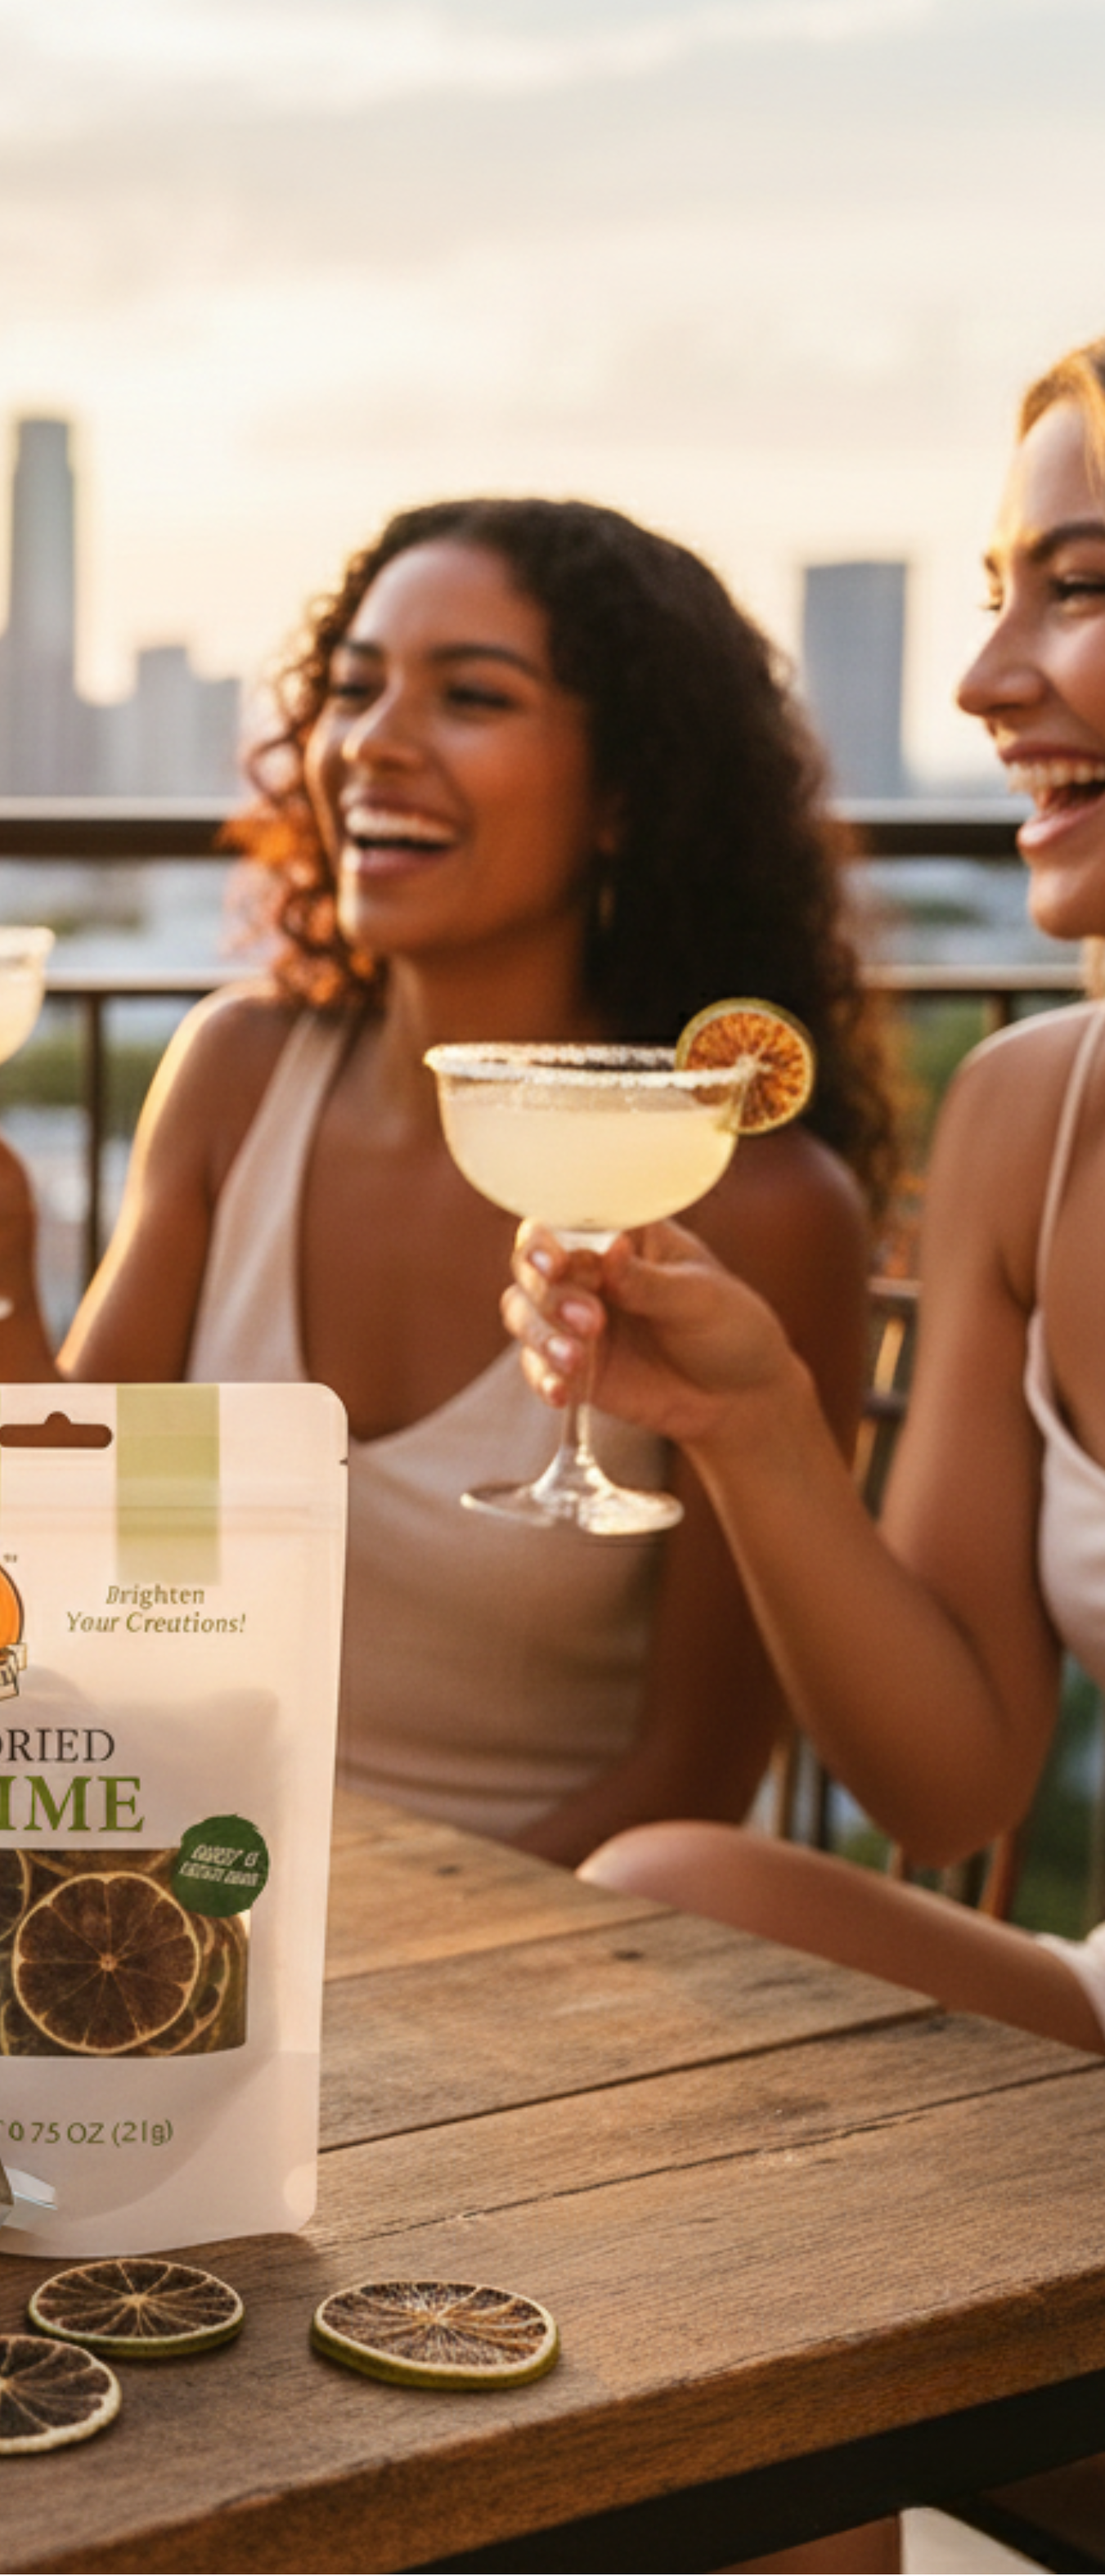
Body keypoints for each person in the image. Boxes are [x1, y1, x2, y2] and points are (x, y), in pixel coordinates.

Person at [0, 497, 896, 1863]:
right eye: (352, 690)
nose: (373, 743)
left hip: (544, 1951)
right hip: (174, 1883)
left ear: (626, 792)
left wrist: (335, 1940)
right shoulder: (237, 1074)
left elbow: (689, 1774)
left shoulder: (759, 1207)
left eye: (469, 696)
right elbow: (55, 1558)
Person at [506, 340, 1105, 2058]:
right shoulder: (1032, 1116)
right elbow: (949, 1780)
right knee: (663, 1895)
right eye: (1001, 595)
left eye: (1080, 589)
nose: (989, 680)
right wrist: (748, 1413)